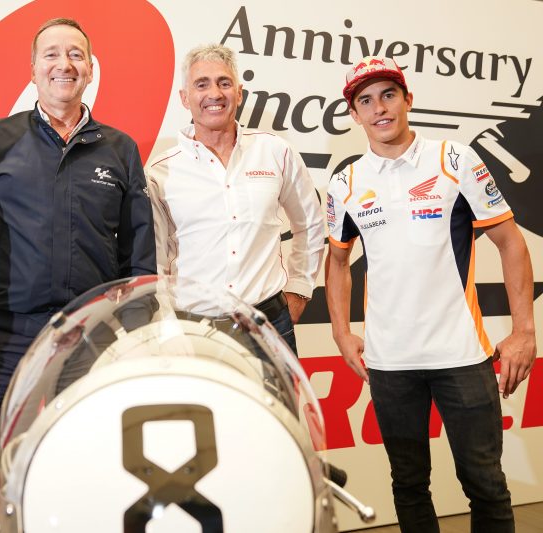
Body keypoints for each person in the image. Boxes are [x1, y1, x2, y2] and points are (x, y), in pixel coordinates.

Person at [0, 17, 156, 527]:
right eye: (51, 54)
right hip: (5, 340)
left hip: (89, 340)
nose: (63, 64)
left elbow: (139, 256)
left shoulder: (120, 149)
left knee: (85, 471)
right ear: (32, 69)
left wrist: (134, 336)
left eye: (75, 55)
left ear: (90, 69)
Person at [325, 56, 536, 531]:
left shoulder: (455, 160)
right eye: (366, 101)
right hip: (389, 362)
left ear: (408, 100)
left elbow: (511, 242)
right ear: (354, 114)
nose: (380, 108)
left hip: (461, 355)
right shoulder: (346, 182)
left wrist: (524, 330)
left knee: (485, 483)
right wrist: (341, 331)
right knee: (409, 484)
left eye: (389, 95)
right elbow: (337, 262)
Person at [146, 44, 325, 354]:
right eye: (202, 84)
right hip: (193, 332)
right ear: (185, 98)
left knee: (278, 393)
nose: (214, 93)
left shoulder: (275, 151)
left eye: (224, 83)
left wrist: (298, 290)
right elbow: (155, 261)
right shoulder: (161, 171)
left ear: (239, 93)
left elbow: (310, 223)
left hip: (269, 325)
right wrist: (168, 327)